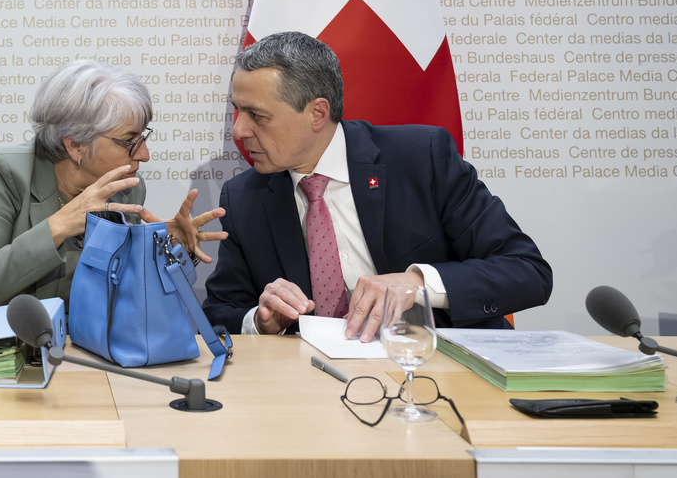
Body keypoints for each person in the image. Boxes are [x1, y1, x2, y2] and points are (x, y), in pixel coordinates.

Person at [203, 31, 551, 337]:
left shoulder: (421, 159)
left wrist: (417, 283)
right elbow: (220, 313)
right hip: (317, 378)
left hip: (441, 364)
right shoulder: (244, 198)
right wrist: (260, 320)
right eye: (238, 111)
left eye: (257, 115)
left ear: (317, 114)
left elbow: (527, 271)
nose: (239, 130)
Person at [0, 59, 226, 316]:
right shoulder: (0, 173)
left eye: (143, 137)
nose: (144, 154)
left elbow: (127, 302)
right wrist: (58, 227)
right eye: (129, 141)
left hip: (71, 351)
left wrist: (167, 251)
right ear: (75, 145)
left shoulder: (126, 190)